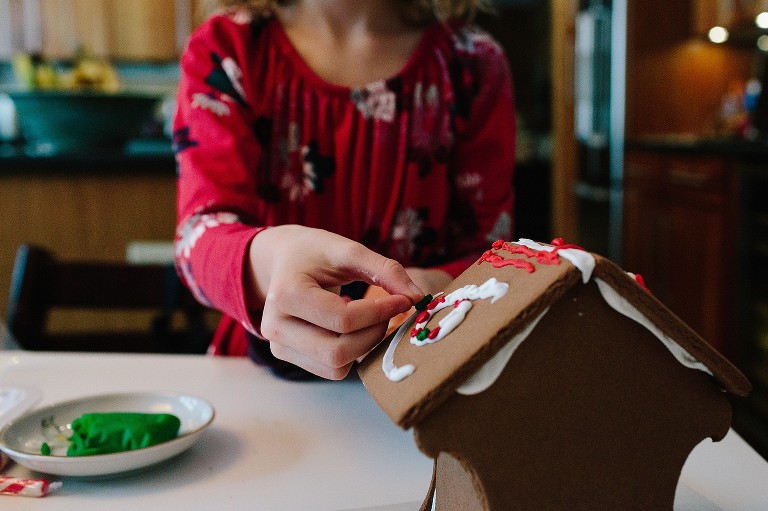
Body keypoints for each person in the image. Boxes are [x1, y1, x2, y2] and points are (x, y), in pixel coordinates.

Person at [173, 0, 516, 380]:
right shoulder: (229, 48)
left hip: (423, 369)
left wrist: (433, 287)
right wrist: (269, 259)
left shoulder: (472, 64)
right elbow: (199, 236)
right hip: (260, 376)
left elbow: (492, 254)